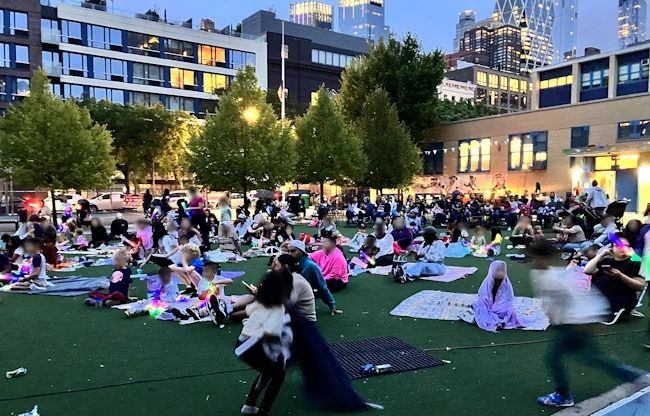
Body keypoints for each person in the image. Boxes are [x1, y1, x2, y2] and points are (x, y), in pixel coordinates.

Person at [530, 239, 647, 408]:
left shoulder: (555, 278)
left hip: (575, 323)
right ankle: (635, 377)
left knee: (555, 358)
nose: (535, 261)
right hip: (572, 321)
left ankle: (563, 395)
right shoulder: (543, 274)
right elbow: (585, 274)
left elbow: (579, 297)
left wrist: (589, 319)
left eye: (539, 257)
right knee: (593, 358)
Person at [236, 270, 293, 416]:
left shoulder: (261, 301)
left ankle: (249, 404)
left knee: (268, 370)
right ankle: (263, 411)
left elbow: (249, 311)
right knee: (279, 374)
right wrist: (283, 350)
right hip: (253, 347)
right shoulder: (277, 308)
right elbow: (271, 333)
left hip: (241, 343)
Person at [584, 234, 645, 315]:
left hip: (620, 298)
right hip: (599, 295)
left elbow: (640, 286)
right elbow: (587, 270)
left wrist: (621, 276)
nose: (622, 248)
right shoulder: (607, 261)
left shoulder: (634, 263)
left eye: (625, 246)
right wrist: (601, 254)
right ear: (612, 248)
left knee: (586, 304)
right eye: (618, 246)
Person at [472, 261, 529, 332]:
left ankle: (499, 321)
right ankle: (486, 319)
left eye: (503, 270)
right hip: (488, 307)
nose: (501, 273)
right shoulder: (486, 284)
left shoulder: (506, 284)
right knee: (478, 306)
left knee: (510, 311)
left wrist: (498, 307)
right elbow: (483, 297)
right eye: (498, 270)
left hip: (501, 308)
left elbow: (508, 299)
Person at [287, 240, 341, 315]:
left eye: (293, 251)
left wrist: (331, 305)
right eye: (288, 251)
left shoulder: (311, 266)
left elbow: (322, 287)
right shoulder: (291, 263)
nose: (289, 254)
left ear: (302, 252)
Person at [272, 254, 316, 322]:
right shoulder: (289, 278)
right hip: (294, 315)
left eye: (277, 266)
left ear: (285, 267)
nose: (275, 269)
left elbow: (287, 305)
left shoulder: (296, 281)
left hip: (305, 321)